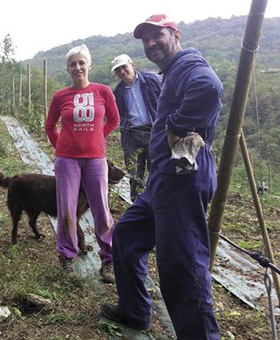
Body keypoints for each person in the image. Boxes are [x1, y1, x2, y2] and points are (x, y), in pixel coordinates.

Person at [101, 14, 223, 339]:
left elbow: (210, 88)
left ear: (175, 35)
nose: (151, 43)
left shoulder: (187, 65)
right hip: (163, 178)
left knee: (181, 267)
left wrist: (176, 125)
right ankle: (135, 311)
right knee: (126, 237)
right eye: (146, 39)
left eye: (158, 36)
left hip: (183, 178)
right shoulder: (169, 73)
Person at [45, 44, 120, 283]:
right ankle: (67, 256)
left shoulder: (103, 91)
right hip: (66, 160)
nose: (77, 67)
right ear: (67, 69)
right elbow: (50, 126)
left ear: (89, 65)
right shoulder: (60, 96)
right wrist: (60, 147)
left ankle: (108, 259)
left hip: (95, 160)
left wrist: (98, 137)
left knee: (101, 209)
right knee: (67, 209)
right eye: (72, 64)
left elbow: (114, 119)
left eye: (81, 63)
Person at [111, 53, 162, 201]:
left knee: (156, 169)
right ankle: (137, 204)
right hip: (132, 134)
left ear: (132, 66)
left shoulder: (151, 80)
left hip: (154, 131)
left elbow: (166, 98)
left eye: (124, 67)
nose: (121, 72)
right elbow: (117, 114)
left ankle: (156, 202)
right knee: (134, 172)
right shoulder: (118, 92)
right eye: (118, 70)